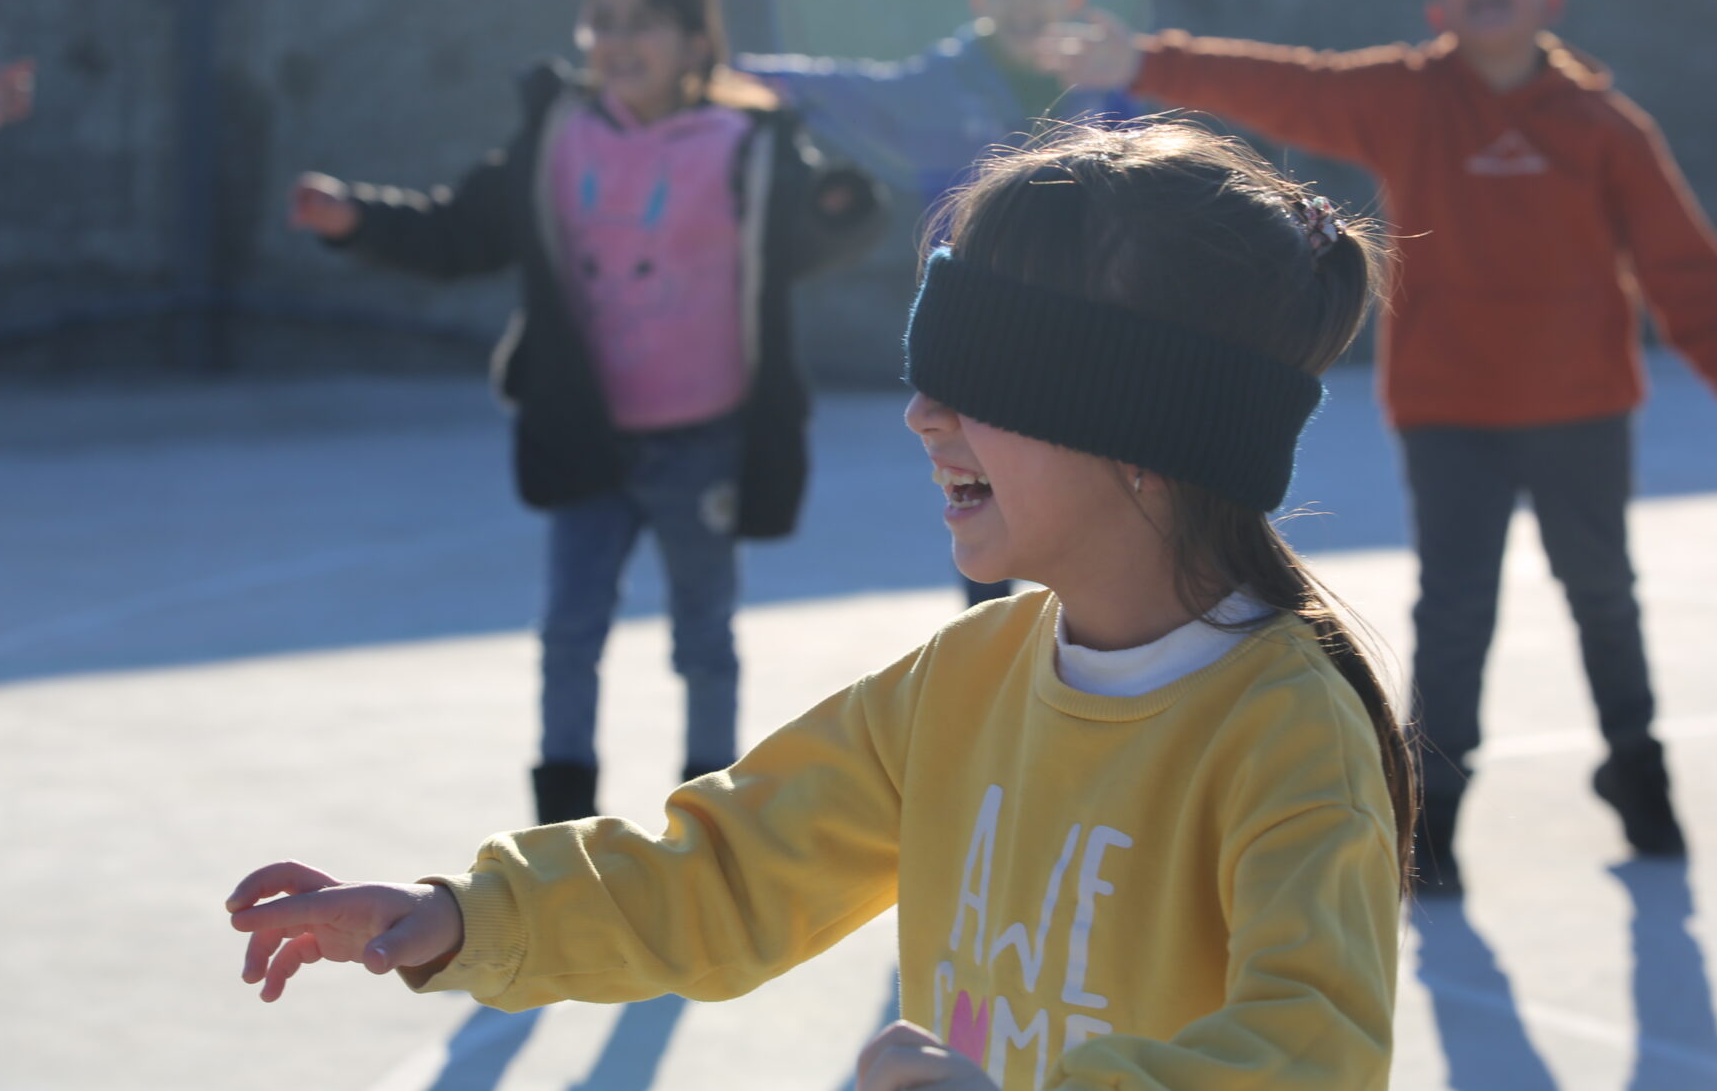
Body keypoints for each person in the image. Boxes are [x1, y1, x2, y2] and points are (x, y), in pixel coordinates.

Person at [230, 119, 1414, 1091]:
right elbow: (727, 868)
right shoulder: (961, 679)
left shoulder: (1284, 731)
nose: (924, 416)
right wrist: (464, 912)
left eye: (984, 385)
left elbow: (1313, 1050)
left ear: (1152, 431)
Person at [1041, 0, 1717, 895]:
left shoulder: (1603, 126)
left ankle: (1639, 773)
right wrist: (1144, 59)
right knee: (1455, 610)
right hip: (1453, 410)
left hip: (1582, 407)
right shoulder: (1406, 100)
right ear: (1440, 4)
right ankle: (1433, 820)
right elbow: (1291, 86)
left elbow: (1679, 259)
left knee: (1603, 595)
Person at [288, 0, 883, 825]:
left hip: (705, 437)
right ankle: (562, 821)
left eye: (640, 23)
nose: (615, 40)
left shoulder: (746, 144)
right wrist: (354, 221)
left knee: (704, 641)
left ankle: (708, 827)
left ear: (693, 41)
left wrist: (842, 203)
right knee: (569, 635)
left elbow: (820, 226)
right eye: (601, 21)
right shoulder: (556, 136)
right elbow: (463, 230)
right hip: (588, 432)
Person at [743, 0, 1142, 607]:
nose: (1025, 0)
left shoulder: (1104, 92)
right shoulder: (940, 85)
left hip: (1080, 330)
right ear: (979, 0)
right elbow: (837, 86)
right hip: (976, 326)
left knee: (1081, 501)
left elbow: (1155, 189)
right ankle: (986, 655)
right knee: (984, 499)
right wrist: (723, 75)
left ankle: (1078, 656)